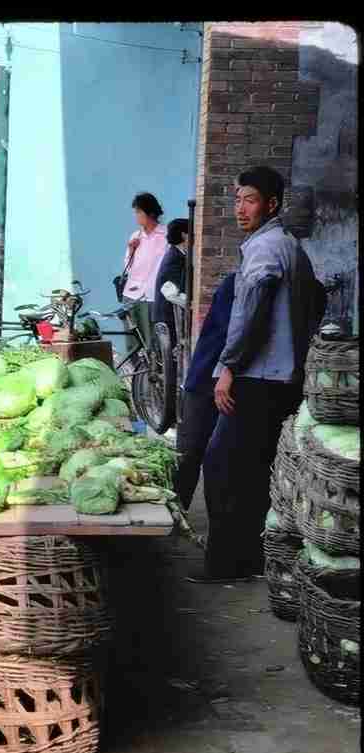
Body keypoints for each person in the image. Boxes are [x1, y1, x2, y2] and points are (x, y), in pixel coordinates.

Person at [189, 166, 326, 584]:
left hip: (256, 378)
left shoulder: (265, 249)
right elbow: (316, 301)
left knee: (222, 470)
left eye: (250, 200)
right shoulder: (290, 247)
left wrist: (228, 367)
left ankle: (227, 565)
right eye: (237, 199)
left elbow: (249, 316)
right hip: (282, 379)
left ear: (271, 204)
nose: (240, 208)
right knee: (254, 473)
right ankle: (249, 559)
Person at [172, 272, 236, 512]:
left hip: (228, 381)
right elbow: (234, 334)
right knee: (189, 453)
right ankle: (176, 512)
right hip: (208, 377)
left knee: (216, 459)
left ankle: (217, 522)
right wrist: (228, 372)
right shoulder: (236, 285)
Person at [121, 193, 168, 351]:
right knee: (132, 343)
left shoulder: (165, 236)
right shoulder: (136, 236)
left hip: (151, 296)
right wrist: (131, 249)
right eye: (136, 212)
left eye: (139, 212)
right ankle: (134, 375)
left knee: (151, 342)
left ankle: (151, 375)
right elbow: (127, 266)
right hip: (131, 294)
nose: (137, 217)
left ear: (150, 213)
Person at [152, 219, 189, 351]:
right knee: (171, 359)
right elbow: (171, 292)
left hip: (167, 316)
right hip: (167, 317)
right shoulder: (174, 258)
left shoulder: (177, 254)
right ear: (184, 235)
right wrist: (191, 304)